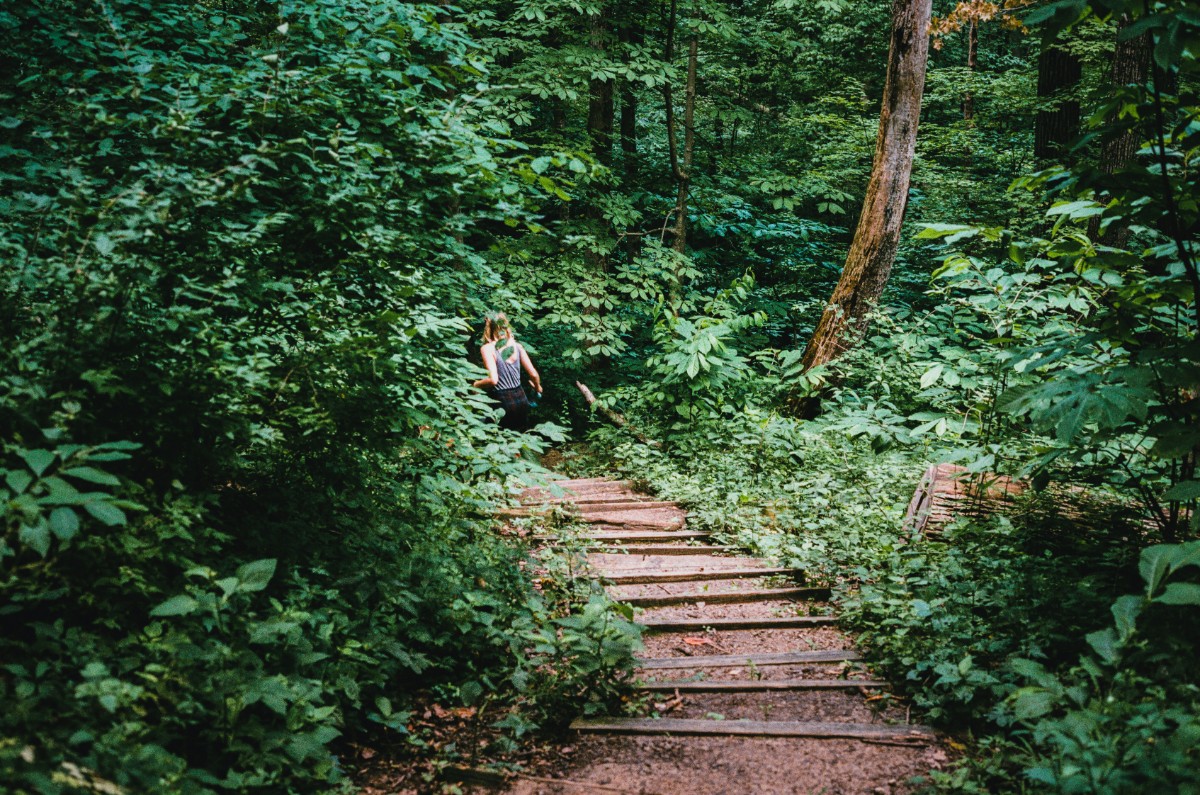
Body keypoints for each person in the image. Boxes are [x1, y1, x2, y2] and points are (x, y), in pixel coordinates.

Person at [472, 313, 542, 431]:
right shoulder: (517, 346)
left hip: (501, 401)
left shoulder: (487, 348)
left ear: (489, 327)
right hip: (521, 399)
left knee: (495, 437)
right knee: (518, 440)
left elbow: (493, 380)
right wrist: (538, 387)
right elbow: (533, 374)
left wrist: (476, 385)